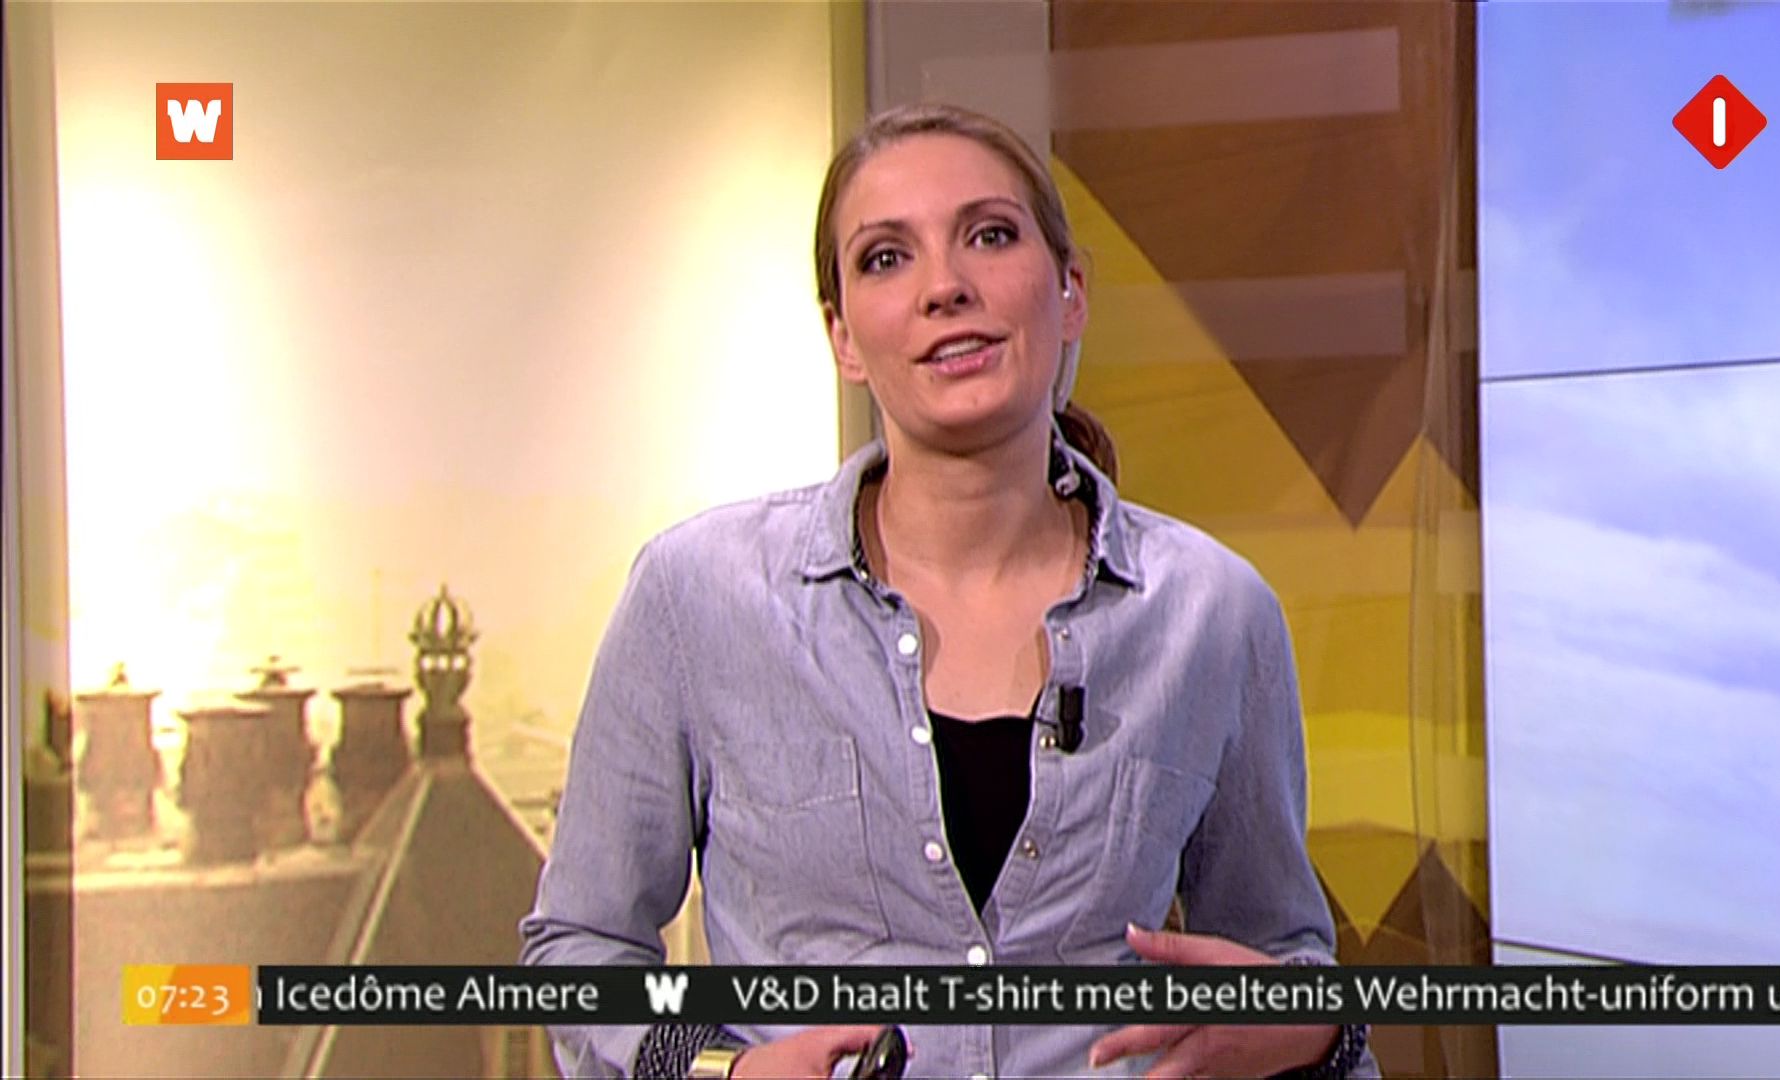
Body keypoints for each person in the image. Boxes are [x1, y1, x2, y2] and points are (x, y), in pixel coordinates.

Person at [520, 102, 1375, 1079]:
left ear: (1071, 291)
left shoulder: (1212, 614)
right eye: (887, 257)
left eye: (990, 235)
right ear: (843, 338)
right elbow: (578, 950)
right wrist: (723, 1072)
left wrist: (1314, 1029)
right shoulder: (698, 596)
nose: (945, 287)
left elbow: (1285, 960)